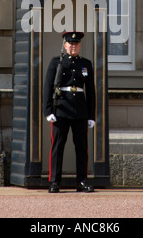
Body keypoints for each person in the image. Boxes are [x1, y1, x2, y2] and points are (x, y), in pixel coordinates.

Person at [43, 31, 96, 193]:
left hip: (80, 110)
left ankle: (81, 182)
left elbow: (91, 91)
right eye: (70, 44)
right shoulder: (57, 62)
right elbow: (47, 87)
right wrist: (48, 110)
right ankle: (54, 182)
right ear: (65, 45)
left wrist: (91, 115)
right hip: (61, 108)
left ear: (79, 45)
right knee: (57, 147)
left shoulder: (86, 64)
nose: (73, 46)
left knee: (81, 148)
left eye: (76, 44)